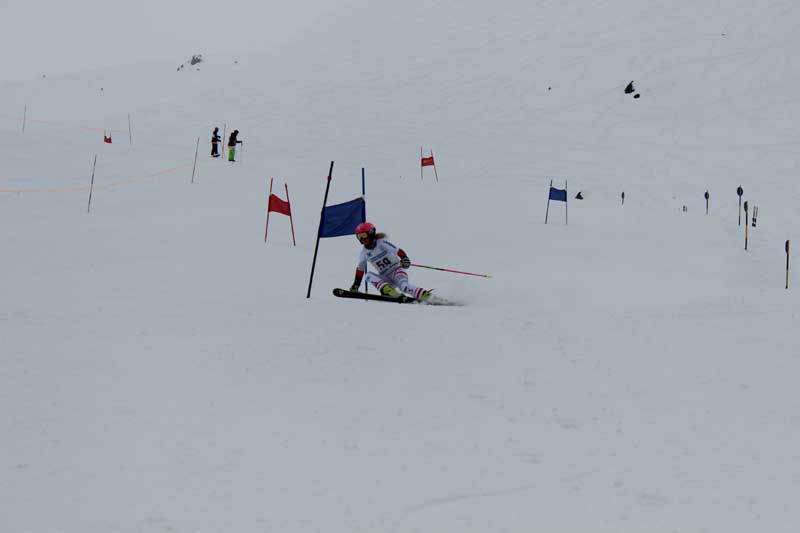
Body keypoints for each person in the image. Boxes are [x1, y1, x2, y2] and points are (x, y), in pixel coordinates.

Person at [349, 222, 432, 301]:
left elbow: (398, 251)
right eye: (359, 236)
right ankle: (387, 291)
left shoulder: (381, 243)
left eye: (364, 235)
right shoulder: (364, 253)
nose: (362, 239)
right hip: (385, 277)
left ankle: (426, 296)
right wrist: (356, 285)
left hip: (397, 271)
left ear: (371, 233)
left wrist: (404, 258)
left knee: (403, 287)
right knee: (368, 275)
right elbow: (360, 269)